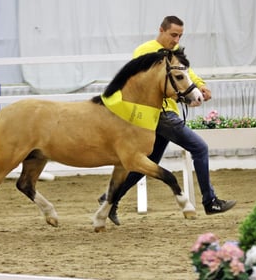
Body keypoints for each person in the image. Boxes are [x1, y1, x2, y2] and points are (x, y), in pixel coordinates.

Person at [98, 15, 236, 225]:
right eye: (173, 34)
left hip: (166, 113)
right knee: (199, 148)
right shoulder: (145, 51)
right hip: (159, 114)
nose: (176, 39)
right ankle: (210, 201)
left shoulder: (174, 53)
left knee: (147, 164)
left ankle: (109, 199)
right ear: (161, 30)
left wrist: (201, 86)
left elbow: (187, 74)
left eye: (180, 35)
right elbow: (141, 84)